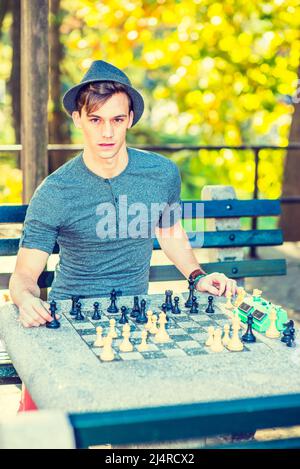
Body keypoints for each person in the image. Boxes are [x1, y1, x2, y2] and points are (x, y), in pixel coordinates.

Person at [9, 60, 237, 411]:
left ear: (130, 119)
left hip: (136, 316)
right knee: (40, 428)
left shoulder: (161, 174)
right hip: (69, 317)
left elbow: (170, 232)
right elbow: (24, 275)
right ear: (78, 120)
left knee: (166, 416)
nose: (107, 133)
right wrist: (27, 301)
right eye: (96, 120)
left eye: (117, 120)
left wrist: (197, 277)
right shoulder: (55, 191)